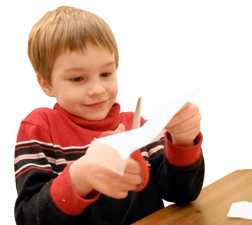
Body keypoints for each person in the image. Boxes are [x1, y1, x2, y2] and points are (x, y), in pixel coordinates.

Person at [14, 5, 204, 225]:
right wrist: (79, 177)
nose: (98, 89)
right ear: (46, 83)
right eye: (77, 78)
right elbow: (28, 218)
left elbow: (182, 194)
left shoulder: (139, 126)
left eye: (106, 73)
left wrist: (183, 142)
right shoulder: (40, 127)